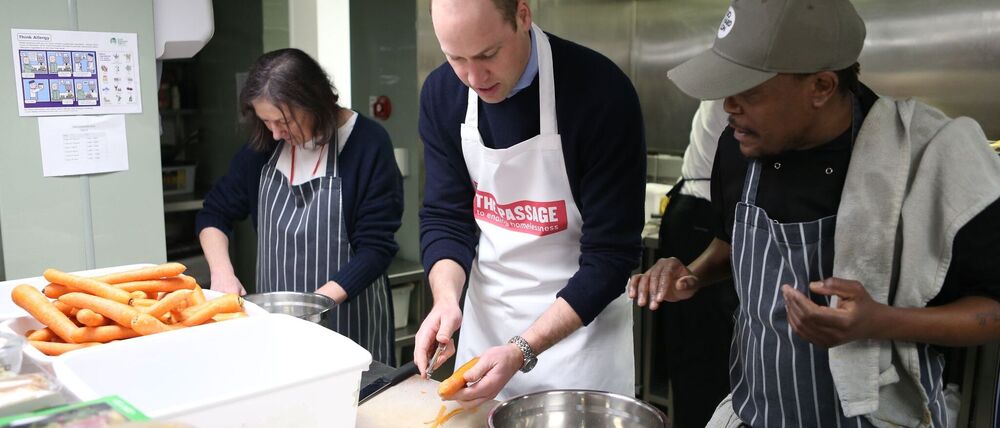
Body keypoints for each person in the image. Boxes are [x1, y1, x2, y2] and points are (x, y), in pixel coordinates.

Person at [629, 0, 1000, 426]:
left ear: (821, 87)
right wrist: (691, 274)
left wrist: (880, 321)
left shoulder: (924, 164)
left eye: (749, 91)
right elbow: (733, 245)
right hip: (758, 412)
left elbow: (991, 312)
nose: (729, 107)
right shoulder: (740, 146)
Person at [416, 0, 645, 407]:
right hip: (485, 339)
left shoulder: (600, 91)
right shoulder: (441, 94)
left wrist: (522, 349)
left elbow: (611, 256)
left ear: (523, 15)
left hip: (580, 349)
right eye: (456, 58)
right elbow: (445, 217)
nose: (473, 77)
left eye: (488, 55)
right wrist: (446, 299)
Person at [196, 48, 404, 365]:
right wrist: (222, 274)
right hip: (279, 328)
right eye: (266, 122)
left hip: (350, 326)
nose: (275, 132)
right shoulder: (265, 146)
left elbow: (375, 248)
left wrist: (311, 307)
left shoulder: (367, 144)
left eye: (282, 121)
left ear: (314, 102)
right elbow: (215, 212)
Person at [645, 99, 739, 428]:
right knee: (703, 357)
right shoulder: (740, 87)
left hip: (698, 211)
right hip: (702, 214)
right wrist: (694, 278)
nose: (737, 109)